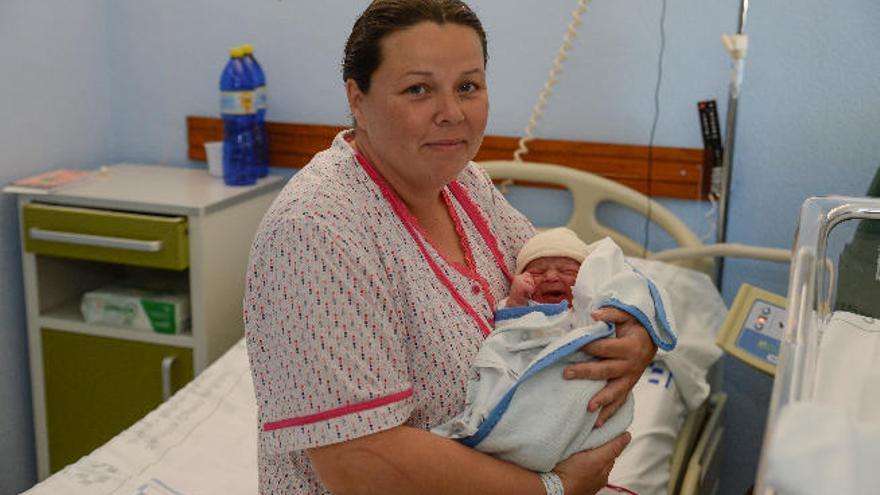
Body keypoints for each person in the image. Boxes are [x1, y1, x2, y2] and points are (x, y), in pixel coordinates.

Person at [244, 1, 660, 493]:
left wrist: (637, 330)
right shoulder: (317, 231)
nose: (452, 113)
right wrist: (552, 489)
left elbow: (570, 273)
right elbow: (359, 465)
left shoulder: (465, 187)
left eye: (468, 86)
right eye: (418, 89)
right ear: (358, 99)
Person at [433, 229, 676, 479]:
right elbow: (509, 333)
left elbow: (623, 297)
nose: (550, 276)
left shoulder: (589, 307)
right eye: (537, 272)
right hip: (528, 369)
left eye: (566, 270)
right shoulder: (527, 308)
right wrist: (516, 298)